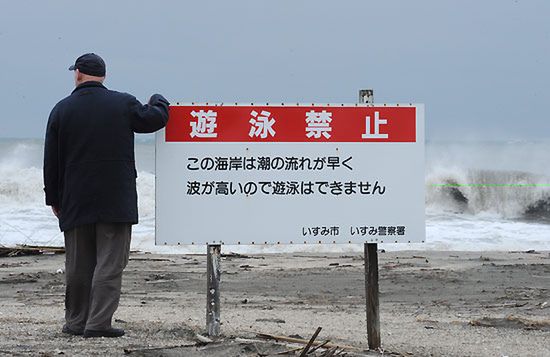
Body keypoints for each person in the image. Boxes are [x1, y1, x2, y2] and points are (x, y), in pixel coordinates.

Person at [43, 53, 169, 338]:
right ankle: (98, 323)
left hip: (74, 198)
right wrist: (159, 99)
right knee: (110, 262)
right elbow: (153, 120)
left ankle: (76, 322)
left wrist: (53, 198)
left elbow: (50, 160)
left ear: (77, 74)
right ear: (103, 76)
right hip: (115, 197)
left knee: (78, 263)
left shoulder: (61, 109)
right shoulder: (122, 103)